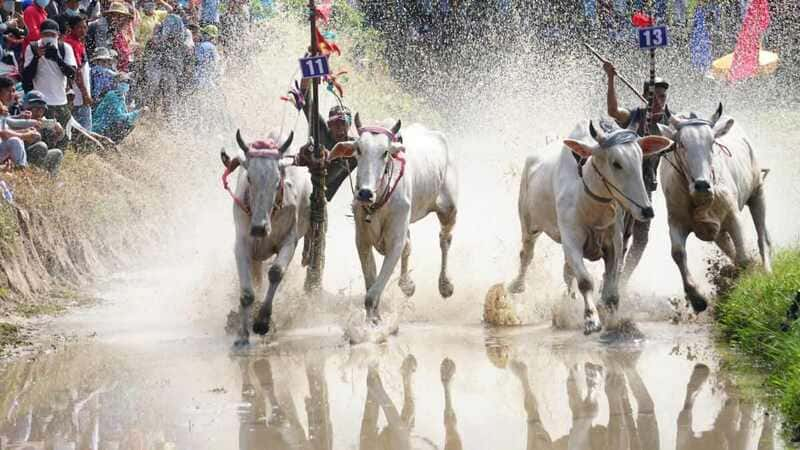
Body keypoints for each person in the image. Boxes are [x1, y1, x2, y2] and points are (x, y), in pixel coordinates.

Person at [603, 60, 673, 285]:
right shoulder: (634, 116)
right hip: (623, 189)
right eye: (654, 97)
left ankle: (621, 282)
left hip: (645, 191)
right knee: (619, 238)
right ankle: (610, 277)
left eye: (663, 97)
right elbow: (613, 111)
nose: (659, 101)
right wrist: (611, 78)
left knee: (641, 240)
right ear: (644, 97)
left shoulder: (668, 124)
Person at [21, 19, 77, 132]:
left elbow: (72, 74)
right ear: (40, 34)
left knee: (63, 139)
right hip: (40, 105)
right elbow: (27, 76)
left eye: (52, 35)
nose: (49, 37)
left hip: (61, 102)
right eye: (46, 34)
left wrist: (57, 59)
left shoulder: (65, 48)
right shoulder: (32, 48)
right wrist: (36, 57)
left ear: (58, 35)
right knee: (44, 138)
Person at [17, 90, 63, 175]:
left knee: (57, 153)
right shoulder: (19, 119)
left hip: (38, 159)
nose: (39, 111)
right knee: (41, 146)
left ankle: (51, 180)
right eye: (36, 108)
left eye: (42, 109)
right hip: (21, 158)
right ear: (27, 108)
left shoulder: (44, 123)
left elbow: (52, 143)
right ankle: (32, 174)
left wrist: (58, 133)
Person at [63, 14, 93, 129]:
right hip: (79, 94)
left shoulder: (77, 42)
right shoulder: (73, 44)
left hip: (77, 93)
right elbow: (77, 72)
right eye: (79, 27)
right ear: (72, 28)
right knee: (85, 128)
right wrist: (85, 94)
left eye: (85, 27)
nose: (83, 30)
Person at [92, 78, 144, 142]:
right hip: (100, 128)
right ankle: (108, 144)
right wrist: (138, 112)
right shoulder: (115, 96)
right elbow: (119, 117)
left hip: (103, 126)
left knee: (130, 123)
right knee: (128, 125)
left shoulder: (116, 95)